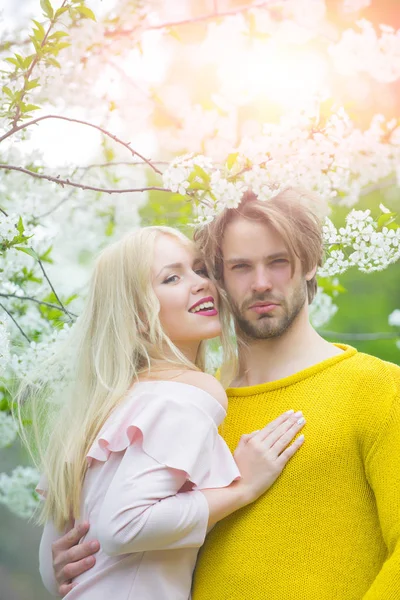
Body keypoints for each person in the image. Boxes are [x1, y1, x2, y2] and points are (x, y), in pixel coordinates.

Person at [52, 188, 400, 599]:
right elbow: (144, 540)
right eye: (240, 267)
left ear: (308, 264)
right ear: (217, 279)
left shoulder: (378, 388)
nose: (261, 283)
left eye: (278, 262)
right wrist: (79, 568)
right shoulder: (185, 406)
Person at [30, 225, 306, 599]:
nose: (201, 283)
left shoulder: (103, 410)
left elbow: (52, 573)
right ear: (140, 315)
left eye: (200, 270)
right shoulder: (188, 391)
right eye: (172, 277)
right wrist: (244, 488)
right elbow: (123, 526)